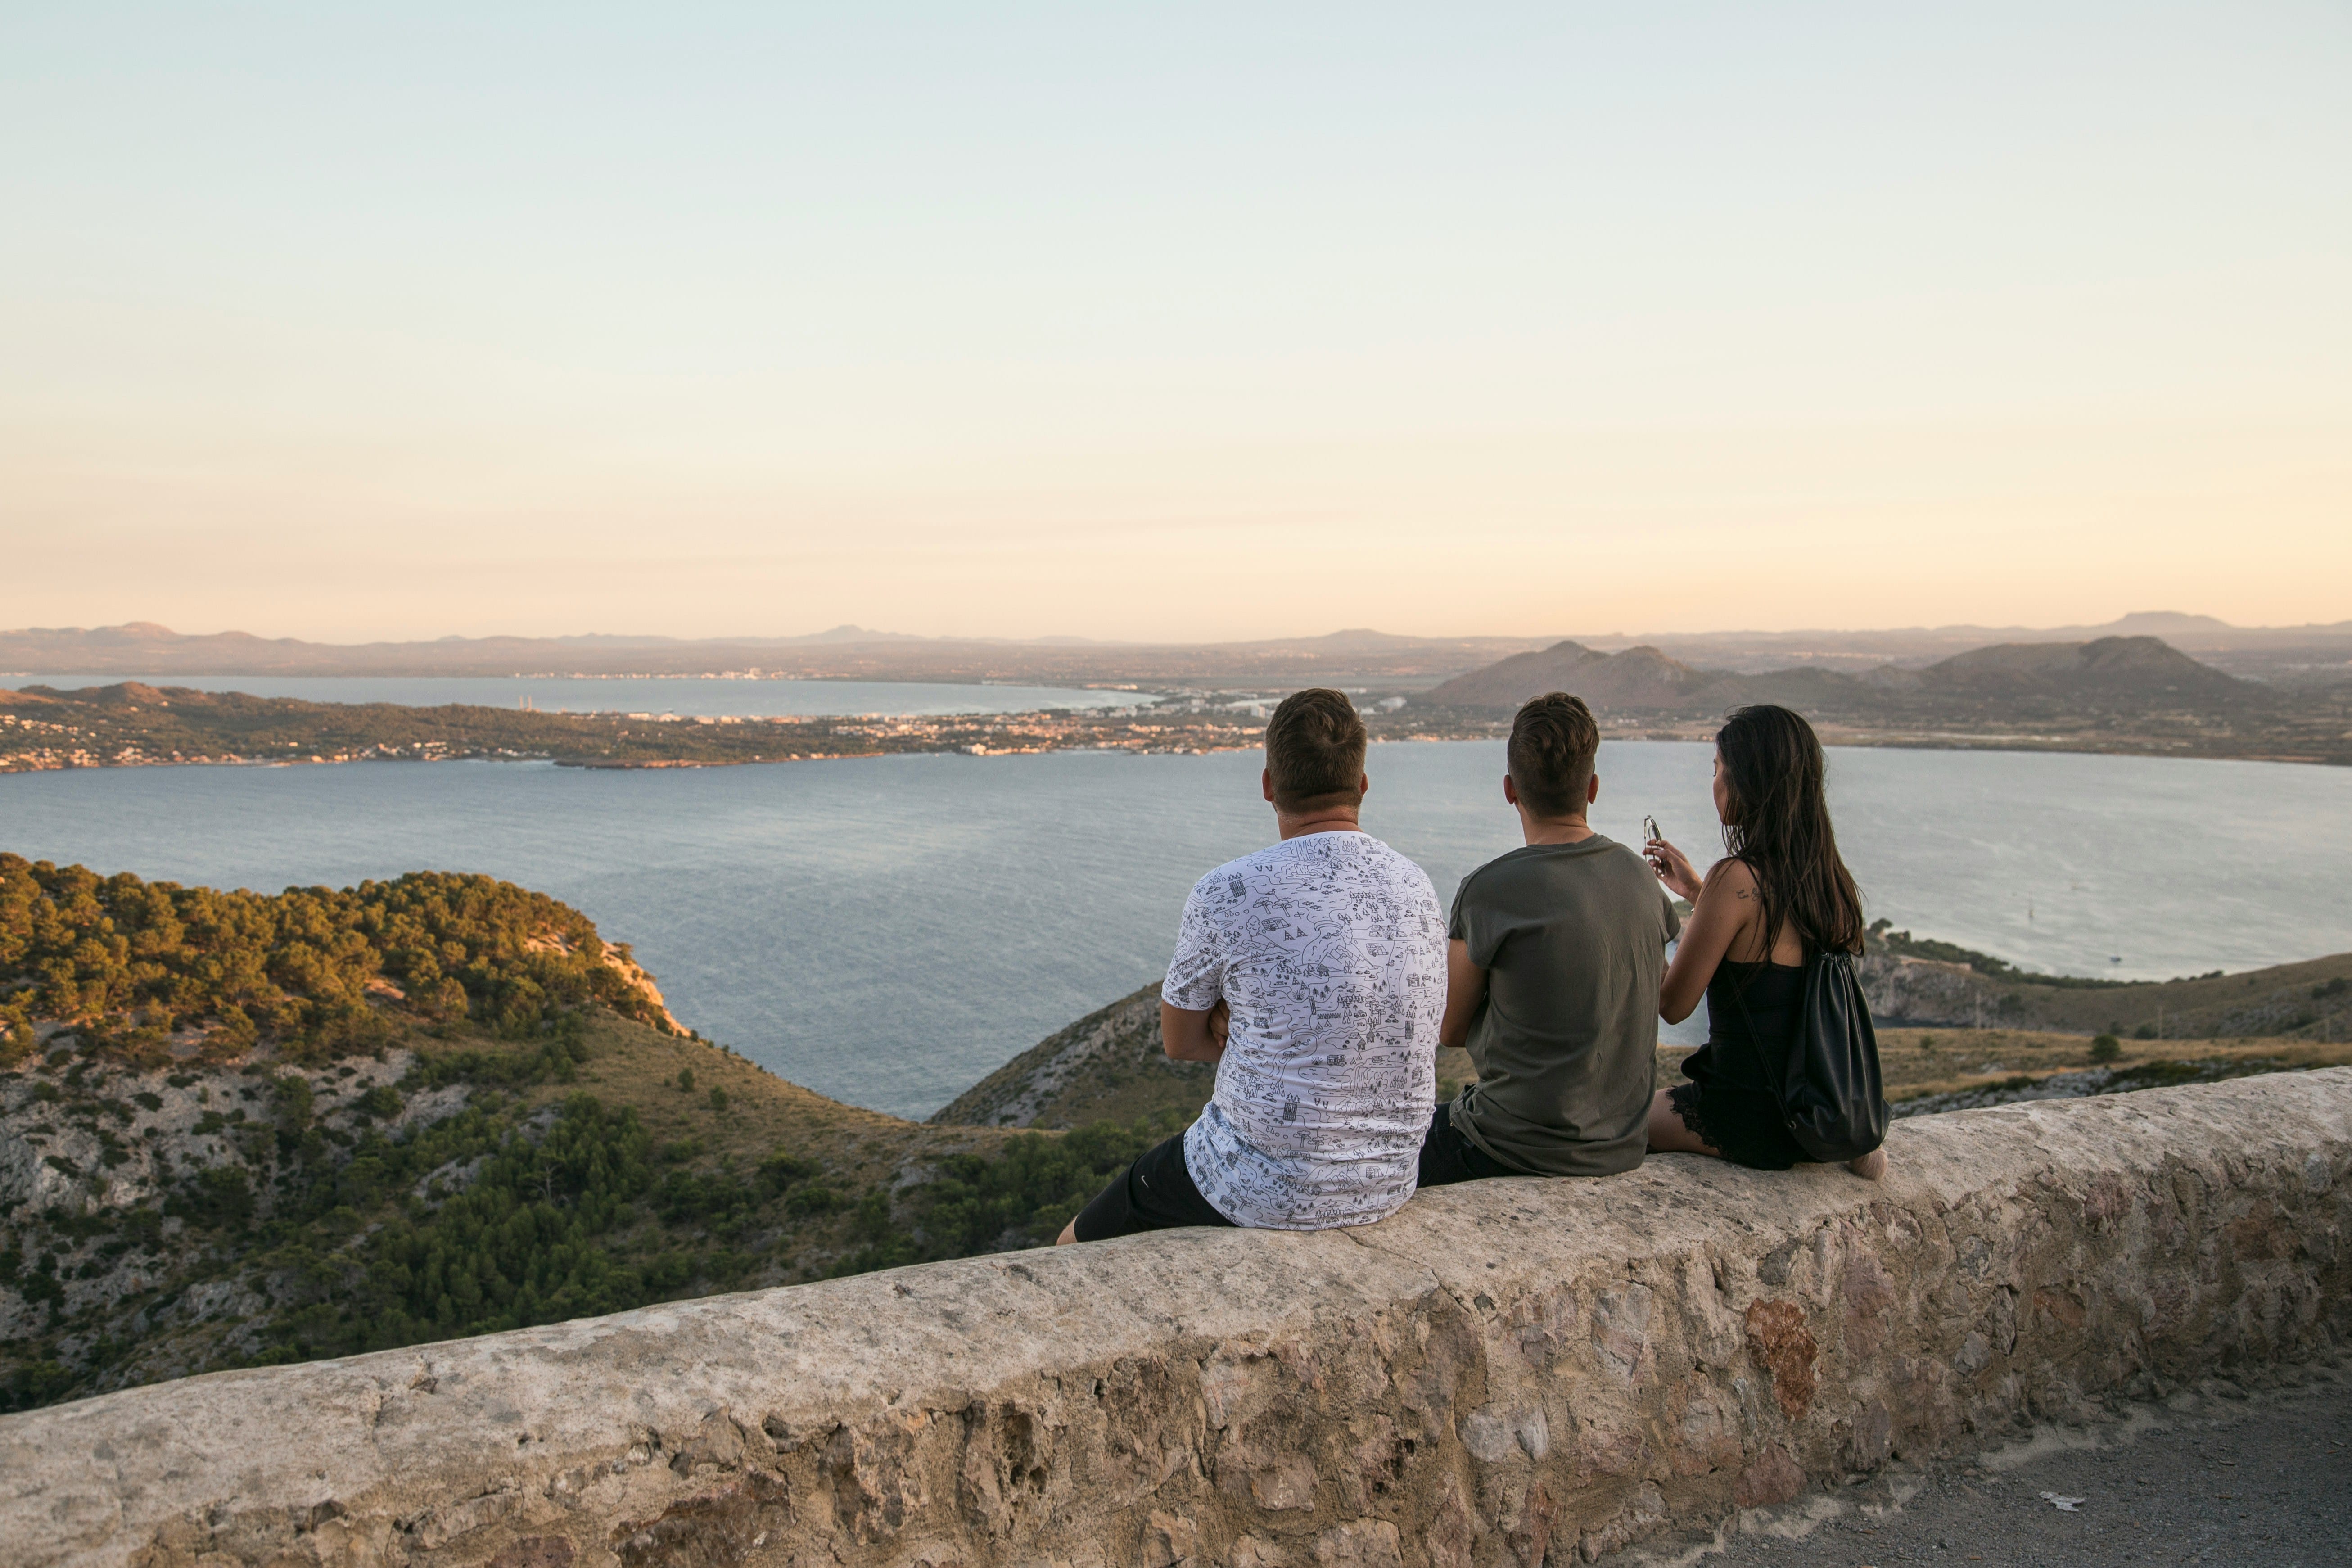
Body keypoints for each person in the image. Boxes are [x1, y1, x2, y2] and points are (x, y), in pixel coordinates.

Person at [1057, 687, 1447, 1243]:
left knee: (1070, 1245)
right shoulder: (1417, 886)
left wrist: (1249, 1028)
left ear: (1268, 786)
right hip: (1387, 1184)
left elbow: (1180, 1042)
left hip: (1256, 1185)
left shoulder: (1228, 890)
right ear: (1361, 785)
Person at [1417, 692, 1683, 1187]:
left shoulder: (1489, 889)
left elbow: (1449, 1028)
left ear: (1509, 790)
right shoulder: (1637, 875)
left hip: (1511, 1142)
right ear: (1593, 788)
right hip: (1621, 1144)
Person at [1642, 704, 1887, 1179]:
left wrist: (1642, 926)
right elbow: (1767, 944)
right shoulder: (1827, 880)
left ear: (1745, 782)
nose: (1713, 782)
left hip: (1748, 1117)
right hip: (1816, 1107)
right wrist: (1697, 894)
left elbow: (1671, 1004)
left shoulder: (1734, 879)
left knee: (1615, 1121)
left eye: (1717, 769)